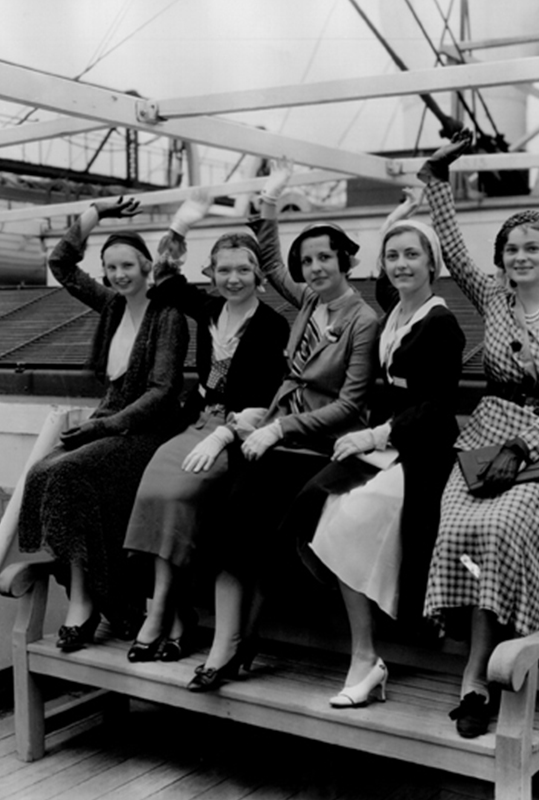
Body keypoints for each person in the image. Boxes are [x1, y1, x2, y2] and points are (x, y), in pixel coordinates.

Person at [418, 130, 539, 738]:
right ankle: (479, 668)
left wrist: (524, 448)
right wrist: (437, 179)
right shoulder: (492, 296)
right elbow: (450, 245)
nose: (520, 257)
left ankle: (492, 672)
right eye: (511, 249)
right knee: (463, 529)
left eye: (532, 248)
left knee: (502, 526)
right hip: (485, 438)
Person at [186, 160, 380, 693]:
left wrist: (279, 429)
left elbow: (352, 405)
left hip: (319, 444)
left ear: (345, 262)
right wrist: (270, 201)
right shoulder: (310, 302)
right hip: (278, 431)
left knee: (249, 515)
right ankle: (229, 643)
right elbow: (270, 260)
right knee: (234, 517)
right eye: (308, 260)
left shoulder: (363, 320)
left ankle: (236, 643)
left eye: (325, 258)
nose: (315, 268)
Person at [288, 188, 465, 708]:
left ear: (433, 264)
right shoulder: (395, 310)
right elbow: (383, 283)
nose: (401, 264)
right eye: (393, 256)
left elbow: (436, 407)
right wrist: (395, 219)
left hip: (421, 452)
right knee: (318, 507)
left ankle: (367, 656)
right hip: (386, 448)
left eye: (412, 255)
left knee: (352, 517)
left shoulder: (441, 324)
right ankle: (365, 656)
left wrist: (375, 434)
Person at [122, 193, 290, 663]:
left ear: (258, 274)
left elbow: (267, 399)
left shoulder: (273, 325)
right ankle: (168, 614)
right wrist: (179, 226)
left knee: (177, 496)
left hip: (238, 433)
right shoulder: (211, 309)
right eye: (223, 270)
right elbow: (164, 280)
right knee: (154, 489)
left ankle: (163, 615)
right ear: (211, 275)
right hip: (195, 423)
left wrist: (225, 434)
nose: (233, 278)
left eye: (242, 269)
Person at [18, 196, 190, 653]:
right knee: (41, 473)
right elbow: (62, 263)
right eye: (110, 267)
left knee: (70, 472)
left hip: (146, 430)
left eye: (127, 266)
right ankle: (83, 595)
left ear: (148, 265)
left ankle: (87, 603)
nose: (118, 275)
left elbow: (162, 392)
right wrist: (97, 212)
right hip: (107, 421)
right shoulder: (113, 305)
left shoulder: (167, 314)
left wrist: (104, 428)